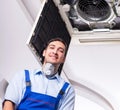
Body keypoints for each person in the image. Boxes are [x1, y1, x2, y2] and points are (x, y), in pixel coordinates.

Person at [3, 37, 75, 110]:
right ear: (44, 52)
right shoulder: (23, 76)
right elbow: (9, 103)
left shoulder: (67, 89)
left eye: (61, 51)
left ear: (63, 59)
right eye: (52, 48)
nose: (55, 52)